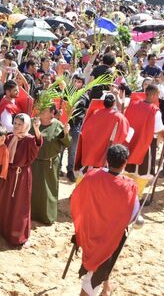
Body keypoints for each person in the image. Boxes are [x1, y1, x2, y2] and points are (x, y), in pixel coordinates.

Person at [70, 144, 139, 296]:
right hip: (111, 236)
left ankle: (106, 289)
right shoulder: (130, 186)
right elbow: (133, 215)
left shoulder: (91, 176)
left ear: (107, 160)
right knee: (95, 273)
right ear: (125, 163)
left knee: (101, 266)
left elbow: (76, 198)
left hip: (89, 229)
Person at [0, 114, 42, 247]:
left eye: (20, 124)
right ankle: (1, 229)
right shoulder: (9, 137)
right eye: (15, 123)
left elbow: (38, 143)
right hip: (8, 173)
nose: (16, 126)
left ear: (26, 125)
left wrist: (37, 129)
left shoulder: (29, 140)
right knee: (4, 200)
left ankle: (17, 234)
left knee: (20, 204)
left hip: (21, 176)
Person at [30, 105, 71, 225]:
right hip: (34, 163)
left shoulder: (57, 125)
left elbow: (67, 143)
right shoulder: (34, 122)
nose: (41, 111)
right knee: (33, 189)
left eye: (45, 110)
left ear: (52, 113)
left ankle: (47, 216)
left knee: (48, 190)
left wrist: (65, 133)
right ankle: (31, 213)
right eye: (41, 108)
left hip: (50, 164)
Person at [75, 94, 131, 171]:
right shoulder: (119, 117)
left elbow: (85, 130)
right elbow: (125, 134)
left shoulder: (95, 113)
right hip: (106, 152)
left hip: (93, 149)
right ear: (114, 103)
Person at [124, 85, 164, 176]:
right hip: (146, 142)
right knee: (142, 172)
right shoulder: (155, 111)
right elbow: (157, 130)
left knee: (127, 168)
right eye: (158, 94)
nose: (158, 97)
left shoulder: (133, 104)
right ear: (153, 95)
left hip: (130, 140)